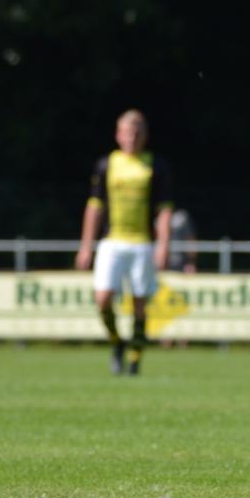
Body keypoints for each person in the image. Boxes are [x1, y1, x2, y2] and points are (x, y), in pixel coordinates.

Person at [75, 109, 174, 376]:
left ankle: (134, 358)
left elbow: (164, 210)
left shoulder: (155, 165)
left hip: (142, 244)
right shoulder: (107, 164)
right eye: (127, 132)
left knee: (140, 303)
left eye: (137, 132)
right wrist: (86, 245)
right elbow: (94, 207)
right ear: (118, 135)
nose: (132, 137)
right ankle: (117, 342)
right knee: (103, 299)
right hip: (112, 242)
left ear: (145, 135)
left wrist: (164, 244)